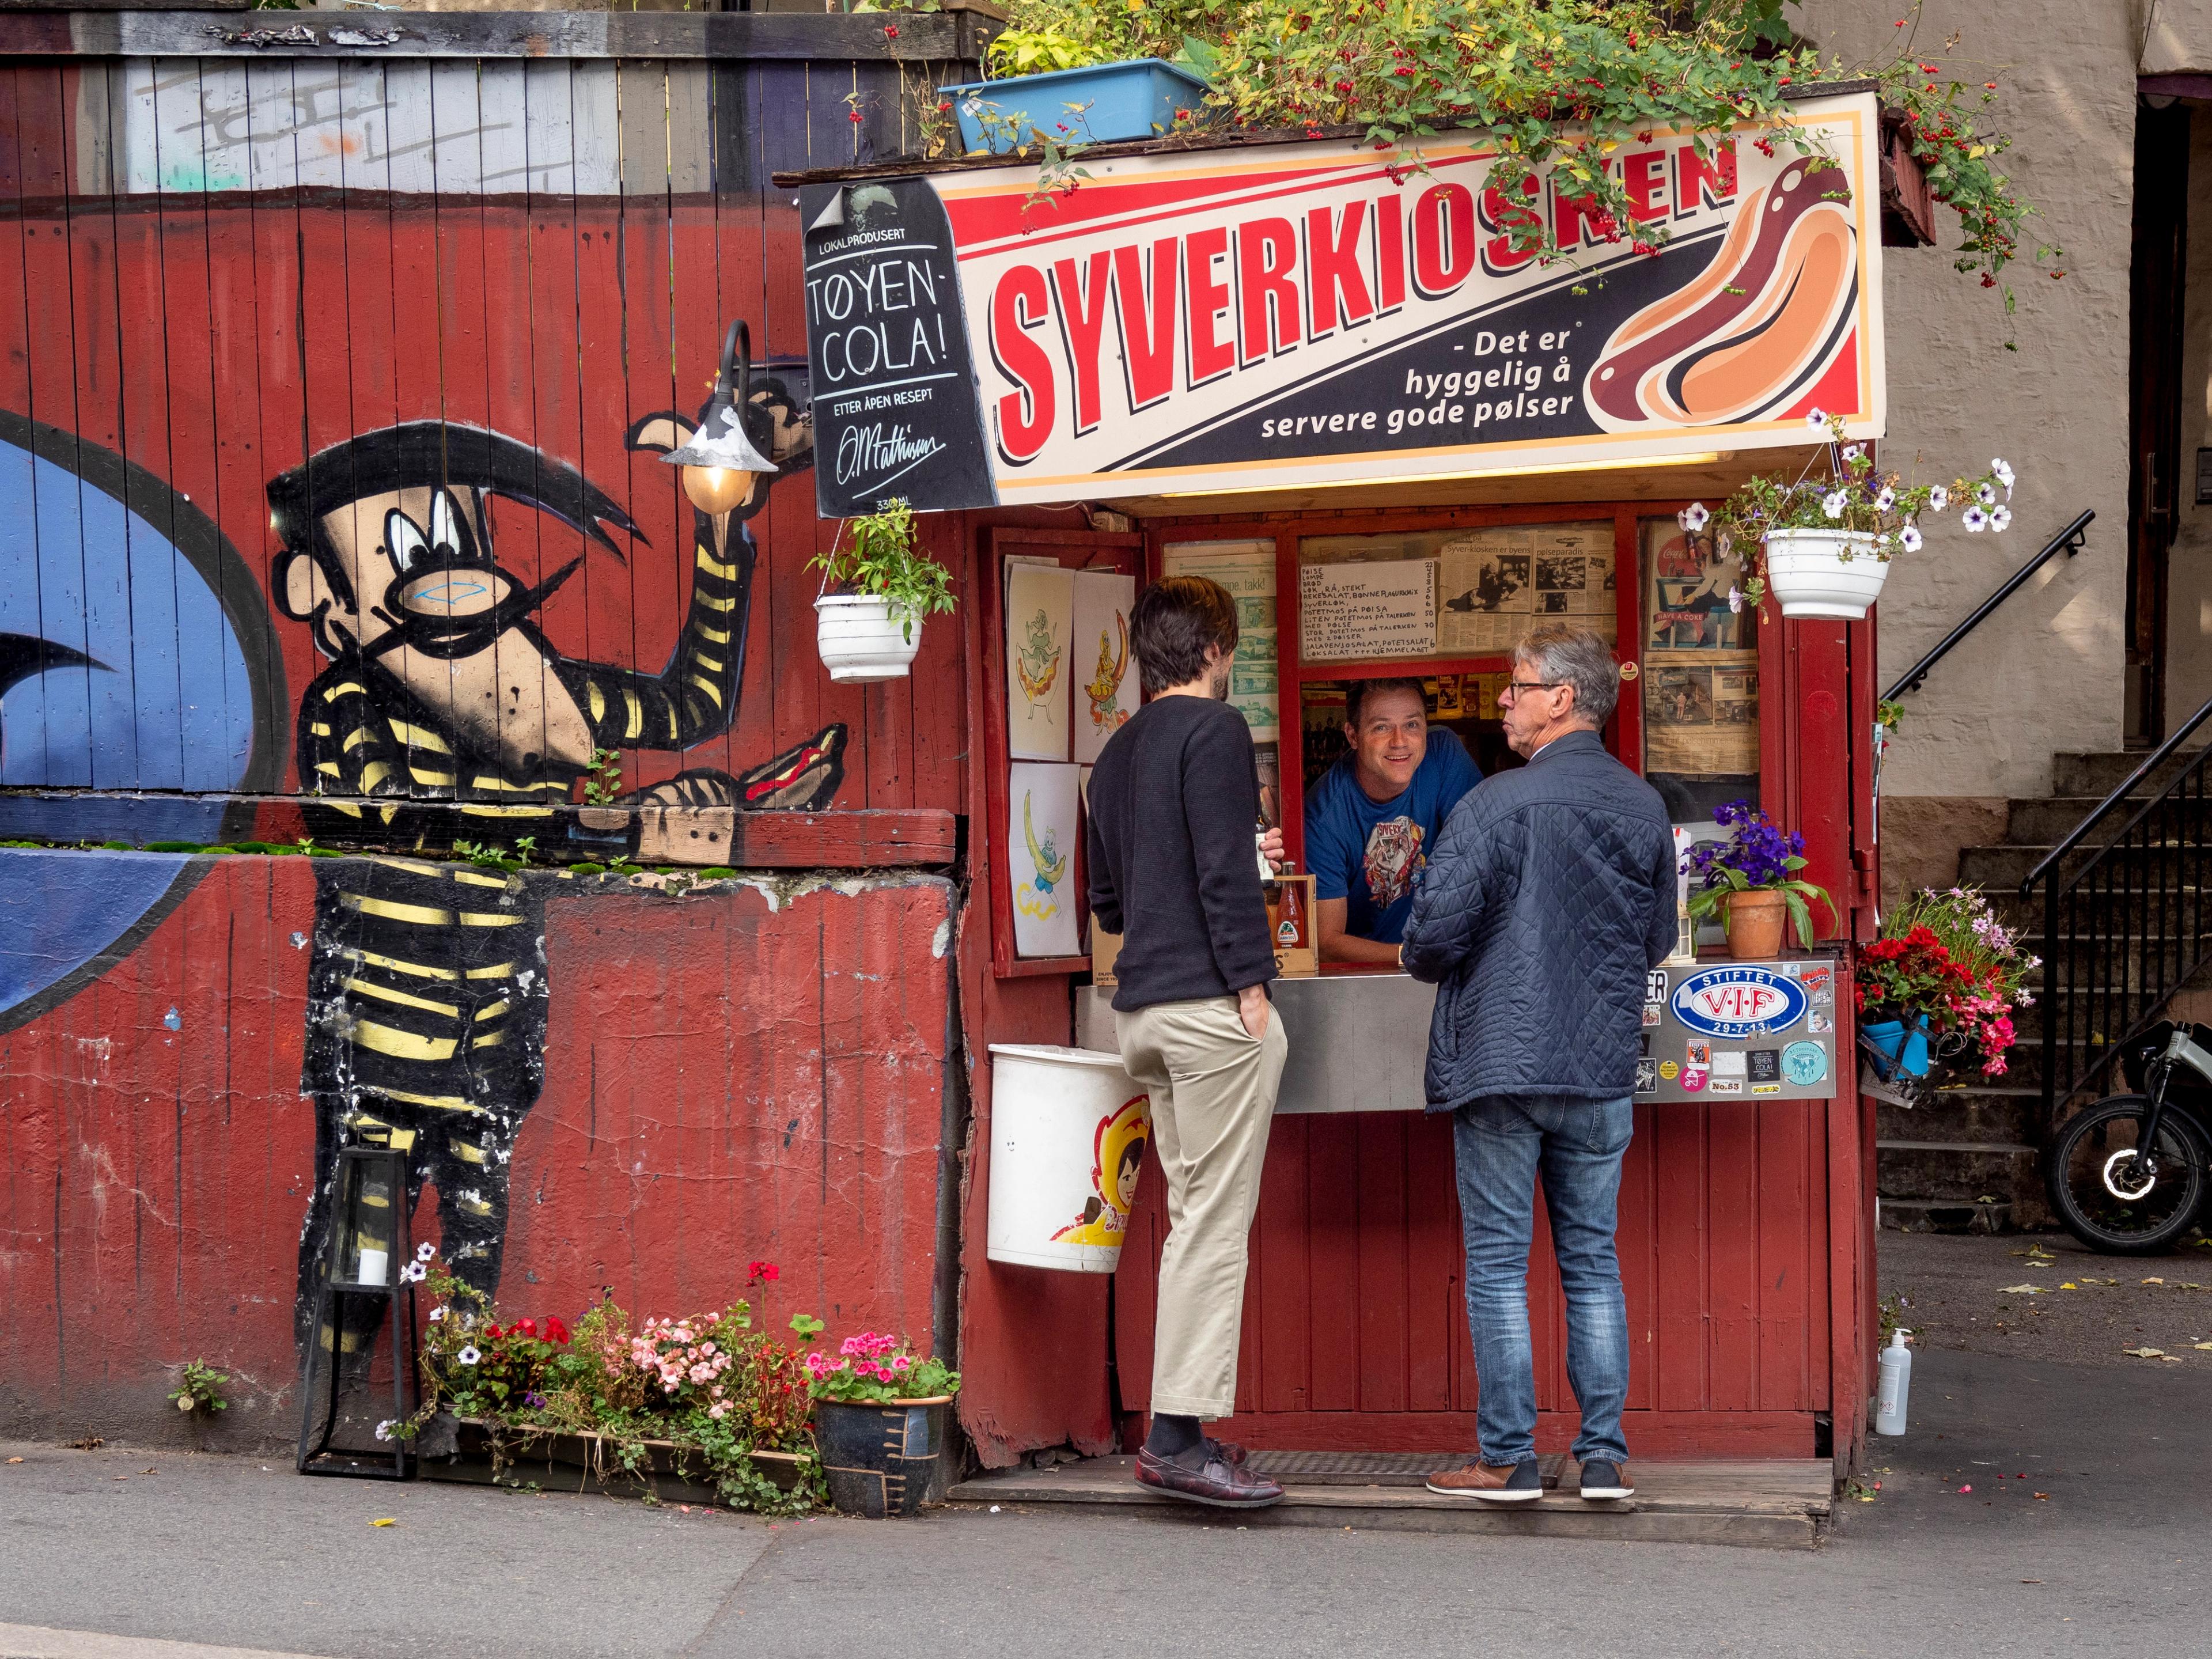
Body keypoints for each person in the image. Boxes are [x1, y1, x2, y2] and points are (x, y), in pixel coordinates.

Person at [1399, 624, 1676, 1507]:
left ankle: (1509, 1460)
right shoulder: (1644, 807)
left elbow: (1430, 942)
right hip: (1597, 1068)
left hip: (1502, 1065)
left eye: (1518, 687)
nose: (1505, 703)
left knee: (1497, 1265)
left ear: (1563, 698)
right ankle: (1602, 1459)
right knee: (1592, 1259)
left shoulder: (1495, 804)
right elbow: (1659, 936)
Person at [1086, 575, 1289, 1510]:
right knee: (1213, 1223)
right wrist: (1252, 984)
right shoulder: (1213, 732)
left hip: (1142, 1014)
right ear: (1217, 650)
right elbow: (1221, 873)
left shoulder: (1117, 753)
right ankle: (1175, 1441)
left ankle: (1186, 1429)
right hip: (1212, 1012)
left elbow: (1110, 902)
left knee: (1191, 1222)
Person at [1302, 678, 1480, 963]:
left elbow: (1480, 855)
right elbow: (1326, 942)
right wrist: (1413, 957)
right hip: (1371, 973)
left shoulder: (1443, 754)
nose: (1399, 741)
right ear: (1353, 736)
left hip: (1447, 953)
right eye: (1381, 727)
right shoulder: (1323, 814)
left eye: (1412, 724)